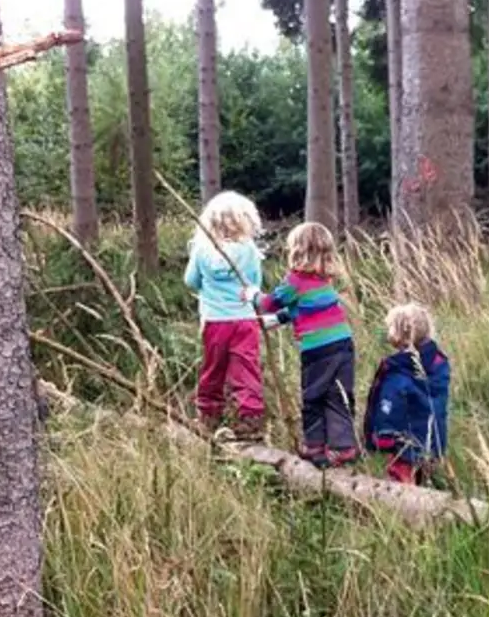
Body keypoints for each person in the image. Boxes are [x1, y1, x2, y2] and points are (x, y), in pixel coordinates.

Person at [242, 222, 359, 468]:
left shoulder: (295, 280)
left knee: (313, 396)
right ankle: (343, 446)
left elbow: (268, 303)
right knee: (338, 395)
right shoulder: (322, 279)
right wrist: (281, 320)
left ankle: (314, 445)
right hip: (343, 343)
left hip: (318, 350)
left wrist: (252, 294)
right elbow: (306, 308)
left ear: (297, 250)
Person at [183, 191, 278, 441]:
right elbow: (255, 283)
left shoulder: (202, 249)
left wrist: (209, 285)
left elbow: (190, 281)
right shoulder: (248, 250)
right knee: (246, 368)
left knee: (213, 367)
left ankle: (208, 415)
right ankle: (250, 418)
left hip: (215, 321)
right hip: (245, 320)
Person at [363, 303, 451, 485]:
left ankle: (403, 508)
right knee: (426, 481)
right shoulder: (440, 364)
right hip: (433, 442)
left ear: (399, 334)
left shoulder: (397, 372)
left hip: (404, 447)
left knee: (401, 483)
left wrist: (383, 437)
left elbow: (390, 406)